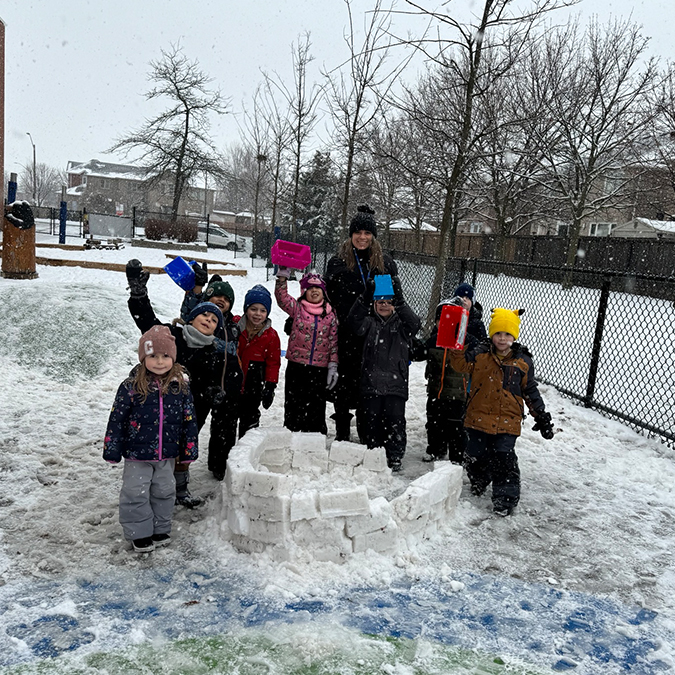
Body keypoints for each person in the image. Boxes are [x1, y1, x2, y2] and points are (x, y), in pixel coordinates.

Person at [125, 259, 236, 489]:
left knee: (185, 449)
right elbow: (147, 323)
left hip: (194, 409)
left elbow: (212, 378)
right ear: (192, 317)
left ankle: (180, 487)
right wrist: (138, 295)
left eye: (214, 320)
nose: (209, 319)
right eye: (204, 315)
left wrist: (213, 390)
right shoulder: (174, 335)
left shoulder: (213, 350)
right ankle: (158, 485)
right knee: (164, 446)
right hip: (166, 405)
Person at [449, 307, 554, 516]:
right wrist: (457, 344)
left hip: (508, 420)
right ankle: (479, 479)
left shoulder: (522, 362)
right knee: (475, 454)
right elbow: (459, 364)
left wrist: (540, 415)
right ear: (491, 334)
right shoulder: (479, 354)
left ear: (514, 336)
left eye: (507, 334)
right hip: (478, 416)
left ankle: (505, 499)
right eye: (498, 333)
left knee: (503, 458)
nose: (502, 339)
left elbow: (529, 389)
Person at [103, 326, 199, 553]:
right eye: (153, 356)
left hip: (166, 454)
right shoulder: (131, 387)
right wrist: (112, 449)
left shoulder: (180, 387)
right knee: (135, 492)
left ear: (173, 358)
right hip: (137, 454)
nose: (159, 361)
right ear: (143, 357)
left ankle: (160, 528)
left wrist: (188, 449)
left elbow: (189, 420)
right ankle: (140, 532)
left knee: (164, 491)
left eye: (165, 356)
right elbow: (117, 419)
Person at [326, 204, 399, 442]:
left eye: (367, 233)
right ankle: (342, 430)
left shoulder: (384, 264)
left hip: (373, 331)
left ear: (373, 236)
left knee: (368, 380)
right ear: (351, 234)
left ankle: (367, 428)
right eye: (358, 232)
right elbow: (328, 297)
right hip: (345, 330)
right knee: (344, 381)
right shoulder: (338, 262)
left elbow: (391, 300)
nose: (362, 237)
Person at [347, 276, 421, 472]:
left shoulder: (402, 325)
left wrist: (401, 302)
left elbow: (415, 325)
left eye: (389, 302)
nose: (384, 306)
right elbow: (352, 322)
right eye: (380, 302)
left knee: (395, 420)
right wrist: (364, 298)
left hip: (395, 384)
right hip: (371, 382)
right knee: (371, 418)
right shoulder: (369, 323)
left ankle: (395, 454)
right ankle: (372, 450)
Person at [416, 283, 487, 464]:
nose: (445, 323)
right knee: (434, 422)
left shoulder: (468, 339)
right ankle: (435, 448)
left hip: (458, 392)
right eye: (441, 320)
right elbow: (421, 352)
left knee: (456, 425)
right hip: (436, 389)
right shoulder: (435, 339)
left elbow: (481, 350)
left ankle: (457, 455)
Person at [275, 269, 339, 433]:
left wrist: (333, 364)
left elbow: (333, 341)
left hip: (319, 369)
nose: (314, 291)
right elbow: (282, 299)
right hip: (297, 366)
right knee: (294, 402)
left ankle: (315, 436)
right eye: (310, 288)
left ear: (324, 292)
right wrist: (282, 277)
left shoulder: (330, 314)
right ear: (304, 292)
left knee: (316, 405)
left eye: (318, 288)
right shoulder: (297, 309)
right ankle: (291, 431)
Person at [237, 284, 281, 437]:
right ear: (246, 309)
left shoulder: (271, 336)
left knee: (249, 419)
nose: (257, 314)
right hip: (233, 381)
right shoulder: (235, 326)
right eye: (253, 309)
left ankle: (245, 449)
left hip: (253, 382)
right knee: (227, 420)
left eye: (263, 310)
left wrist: (270, 386)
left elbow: (273, 363)